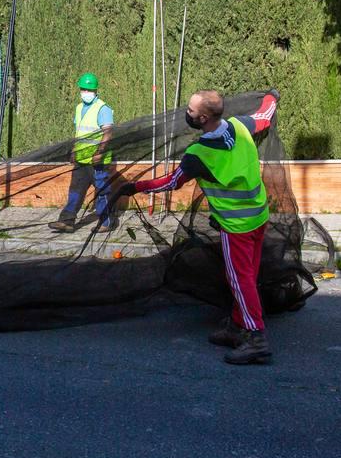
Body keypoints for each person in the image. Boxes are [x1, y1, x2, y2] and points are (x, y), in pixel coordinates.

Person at [119, 89, 280, 366]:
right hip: (258, 217)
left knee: (240, 280)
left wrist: (136, 186)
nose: (187, 113)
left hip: (236, 226)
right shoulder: (241, 125)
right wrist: (272, 98)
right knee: (248, 276)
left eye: (191, 111)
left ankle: (256, 338)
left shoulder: (199, 154)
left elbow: (171, 182)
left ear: (203, 118)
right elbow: (264, 117)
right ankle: (237, 326)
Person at [50, 72, 116, 233]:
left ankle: (107, 222)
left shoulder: (103, 108)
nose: (85, 92)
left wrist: (100, 152)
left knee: (102, 191)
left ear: (95, 90)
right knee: (75, 190)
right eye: (83, 89)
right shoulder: (79, 108)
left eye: (88, 89)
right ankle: (67, 221)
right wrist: (74, 150)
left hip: (97, 161)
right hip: (81, 158)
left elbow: (108, 133)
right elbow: (79, 133)